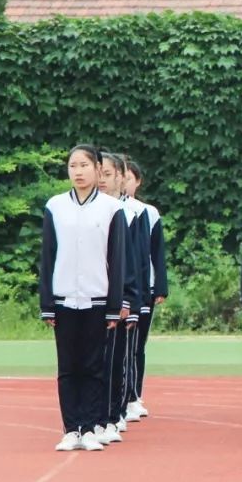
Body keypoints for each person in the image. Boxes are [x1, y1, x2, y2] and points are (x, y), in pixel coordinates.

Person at [39, 145, 128, 452]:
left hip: (97, 298)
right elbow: (48, 257)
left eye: (84, 165)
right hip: (64, 299)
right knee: (68, 366)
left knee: (94, 366)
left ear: (96, 168)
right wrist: (47, 303)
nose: (78, 171)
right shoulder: (55, 206)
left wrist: (115, 306)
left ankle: (89, 427)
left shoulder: (111, 208)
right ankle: (70, 428)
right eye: (72, 166)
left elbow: (117, 260)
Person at [98, 152, 144, 445]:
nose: (101, 179)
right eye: (98, 172)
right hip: (89, 296)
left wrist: (131, 300)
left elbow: (135, 261)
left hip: (117, 300)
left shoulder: (129, 214)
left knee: (116, 359)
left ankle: (114, 413)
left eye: (108, 174)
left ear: (121, 177)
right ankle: (91, 418)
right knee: (91, 361)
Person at [123, 159, 167, 419]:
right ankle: (123, 394)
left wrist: (160, 285)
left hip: (145, 287)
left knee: (138, 343)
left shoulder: (147, 212)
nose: (125, 182)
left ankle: (135, 395)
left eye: (130, 177)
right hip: (120, 290)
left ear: (138, 181)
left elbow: (155, 251)